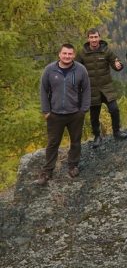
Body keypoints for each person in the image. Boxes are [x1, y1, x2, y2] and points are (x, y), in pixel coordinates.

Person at [37, 43, 91, 185]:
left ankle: (73, 166)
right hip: (55, 115)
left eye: (70, 54)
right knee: (52, 143)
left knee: (76, 141)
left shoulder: (80, 69)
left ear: (74, 55)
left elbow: (86, 89)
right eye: (64, 53)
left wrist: (83, 110)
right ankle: (47, 171)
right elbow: (43, 90)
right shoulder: (49, 70)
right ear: (59, 54)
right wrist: (46, 111)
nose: (67, 56)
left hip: (75, 114)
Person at [76, 28, 127, 148]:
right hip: (91, 89)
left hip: (106, 87)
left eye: (96, 37)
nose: (94, 39)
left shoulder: (106, 50)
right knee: (94, 115)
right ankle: (97, 137)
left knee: (114, 109)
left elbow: (116, 62)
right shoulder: (82, 53)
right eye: (91, 37)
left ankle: (117, 132)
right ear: (88, 39)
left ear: (99, 37)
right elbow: (76, 68)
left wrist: (118, 65)